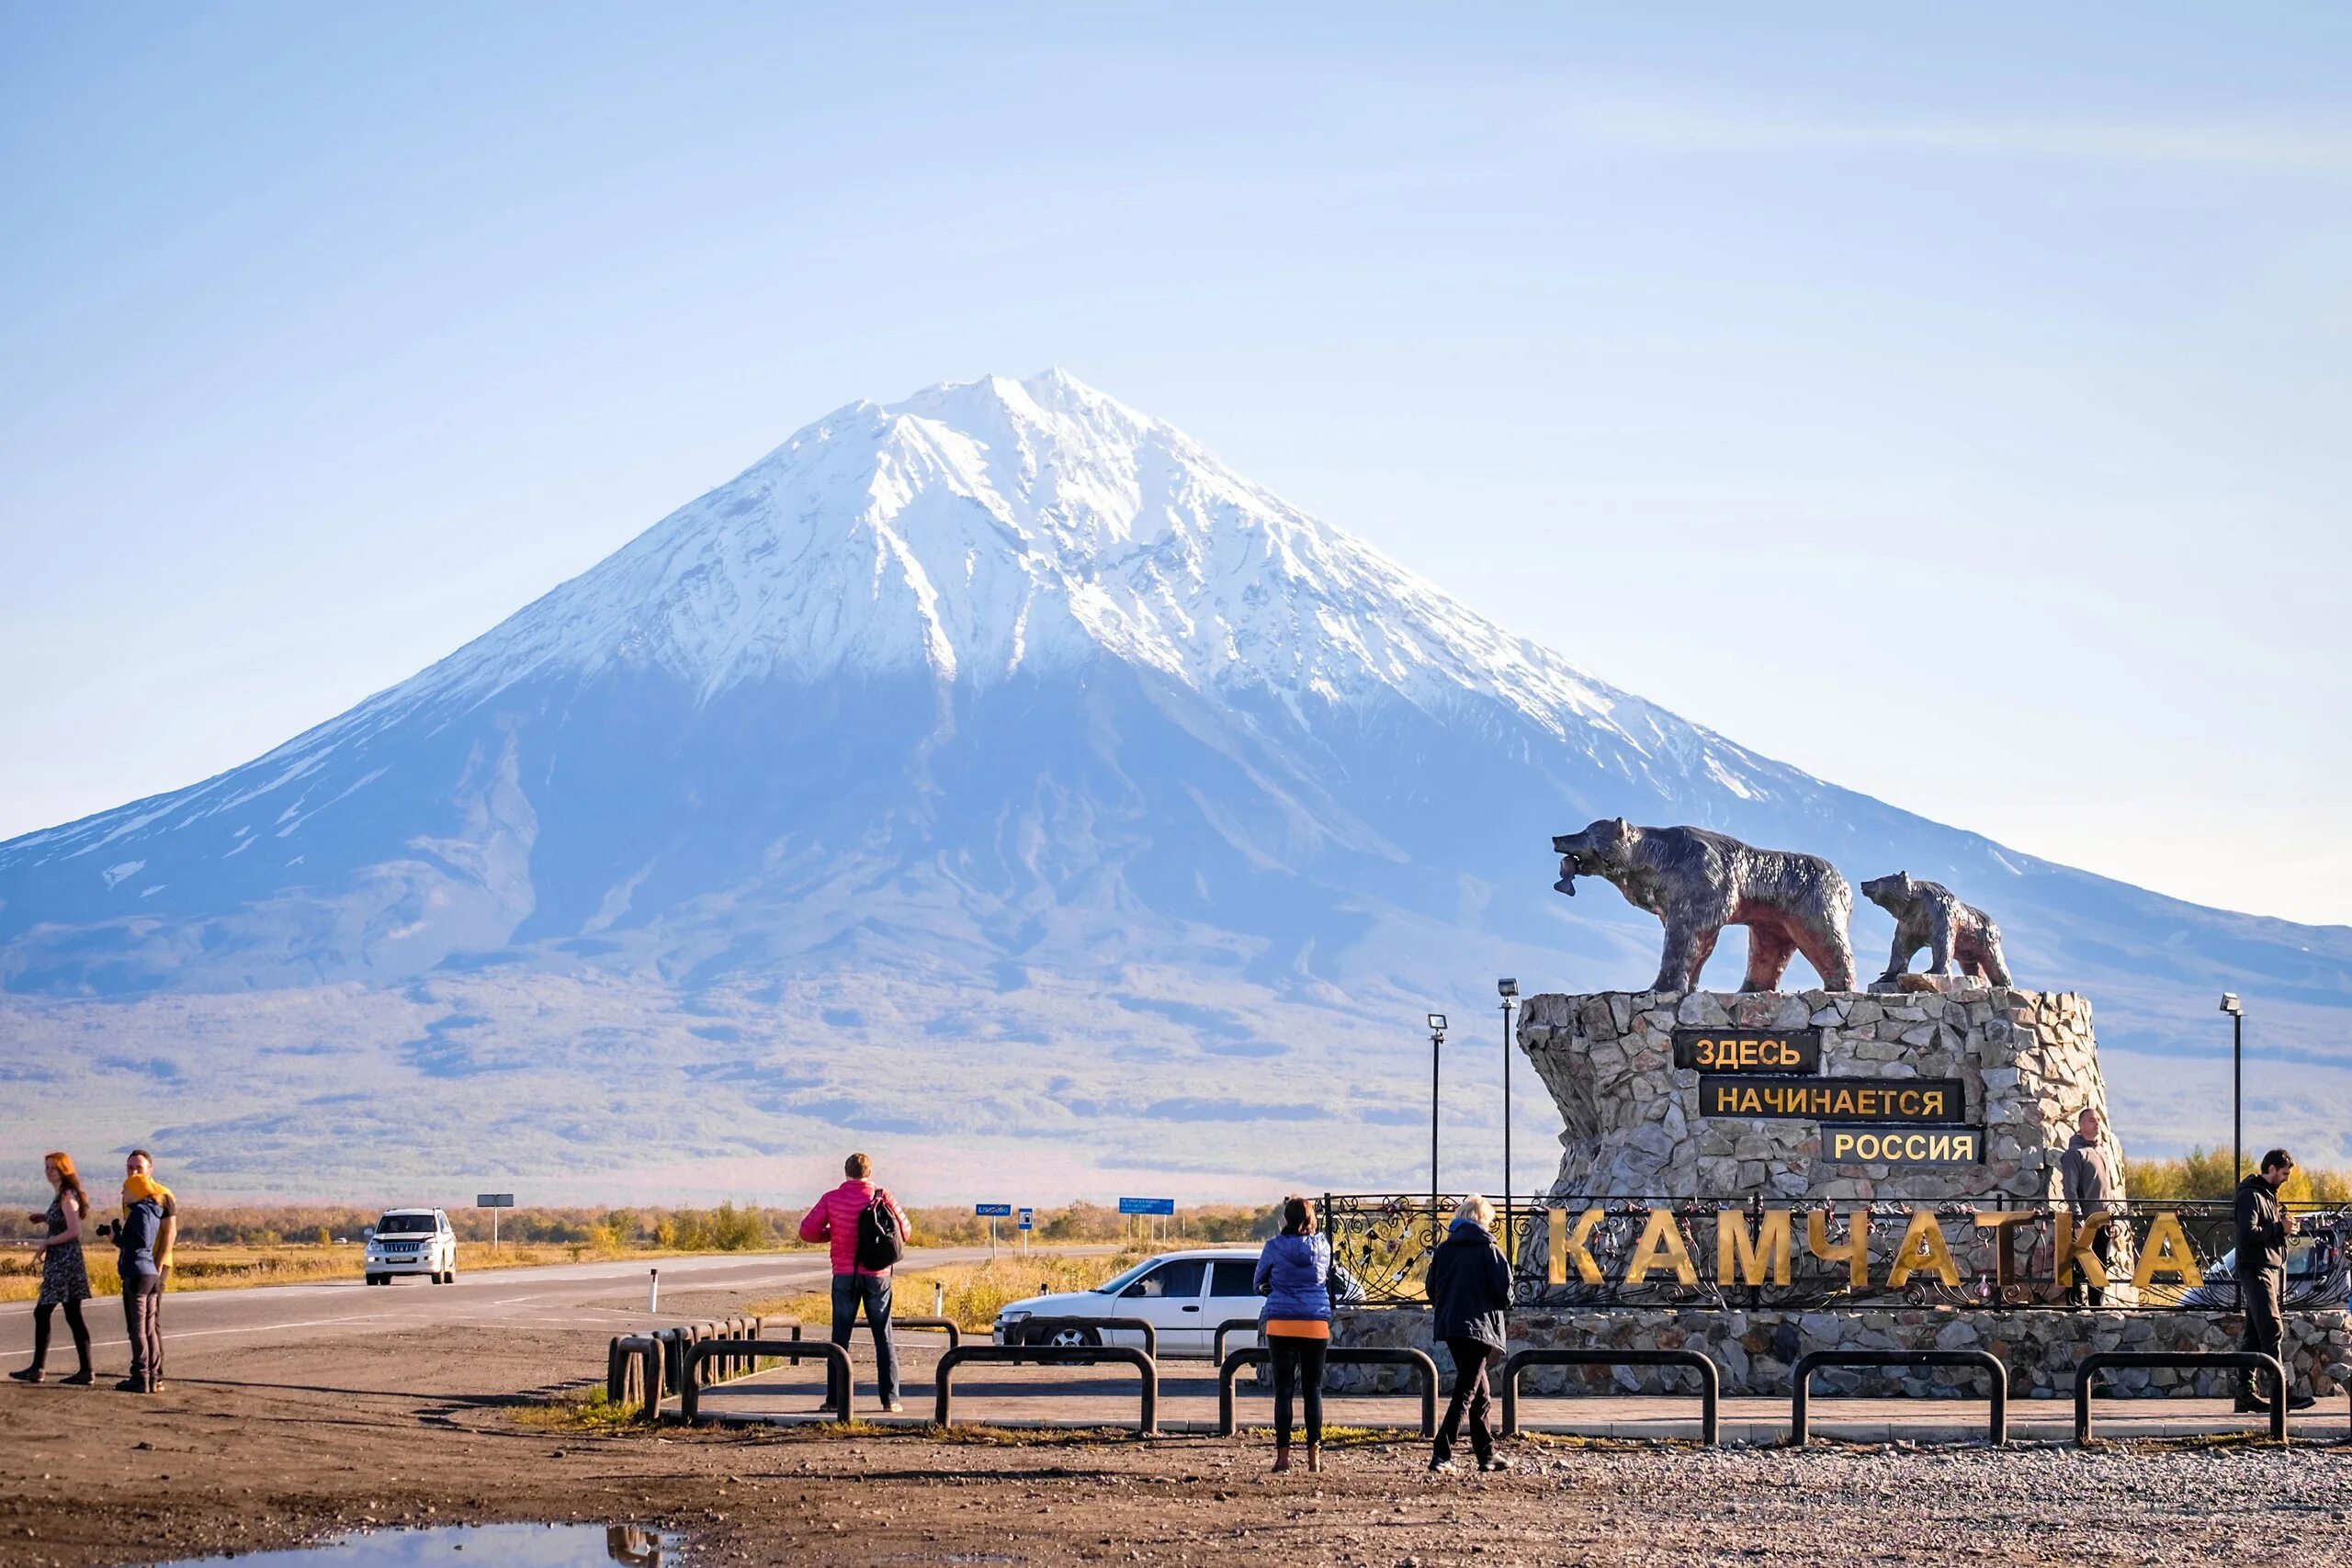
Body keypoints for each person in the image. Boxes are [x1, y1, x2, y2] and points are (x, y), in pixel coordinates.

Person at [798, 1152, 910, 1414]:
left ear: (845, 1172)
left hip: (844, 1276)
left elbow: (806, 1230)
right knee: (883, 1337)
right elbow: (905, 1231)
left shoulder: (832, 1198)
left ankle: (835, 1400)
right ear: (869, 1173)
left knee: (840, 1339)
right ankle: (890, 1399)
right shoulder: (883, 1197)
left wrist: (832, 1234)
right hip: (878, 1276)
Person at [1424, 1193, 1512, 1473]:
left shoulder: (1444, 1250)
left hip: (1451, 1327)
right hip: (1479, 1329)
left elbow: (1431, 1289)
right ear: (1484, 1219)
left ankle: (1486, 1454)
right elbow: (1505, 1295)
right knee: (1466, 1392)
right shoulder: (1489, 1251)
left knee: (1480, 1393)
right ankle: (1442, 1453)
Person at [1252, 1195, 1339, 1473]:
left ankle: (1283, 1457)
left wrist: (1276, 1290)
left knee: (1284, 1392)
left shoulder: (1274, 1247)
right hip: (1315, 1323)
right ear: (1312, 1219)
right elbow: (1327, 1277)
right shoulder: (1323, 1246)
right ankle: (1315, 1457)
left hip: (1281, 1323)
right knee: (1313, 1390)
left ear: (1285, 1219)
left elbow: (1258, 1283)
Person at [2233, 1148, 2314, 1413]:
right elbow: (2248, 1234)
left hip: (2266, 1268)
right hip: (2256, 1269)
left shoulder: (2266, 1195)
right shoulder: (2251, 1196)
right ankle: (2282, 1393)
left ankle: (2245, 1394)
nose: (2287, 1178)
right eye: (2284, 1173)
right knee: (2271, 1328)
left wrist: (2282, 1226)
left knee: (2255, 1335)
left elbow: (2262, 1231)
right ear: (2270, 1169)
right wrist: (2280, 1228)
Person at [9, 1152, 95, 1385]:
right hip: (63, 1261)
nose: (48, 1172)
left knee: (46, 1311)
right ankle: (84, 1370)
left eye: (53, 1168)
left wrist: (47, 1241)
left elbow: (74, 1230)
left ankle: (39, 1368)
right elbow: (64, 1220)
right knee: (71, 1315)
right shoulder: (62, 1195)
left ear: (64, 1170)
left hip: (65, 1262)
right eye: (46, 1167)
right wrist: (45, 1217)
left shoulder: (67, 1194)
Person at [115, 1149, 176, 1394]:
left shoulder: (163, 1195)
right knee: (141, 1322)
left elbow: (170, 1232)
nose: (134, 1171)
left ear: (150, 1169)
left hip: (153, 1264)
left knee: (146, 1323)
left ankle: (151, 1374)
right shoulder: (131, 1194)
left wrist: (159, 1262)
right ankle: (146, 1372)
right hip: (140, 1263)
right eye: (130, 1167)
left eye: (139, 1167)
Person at [2058, 1108, 2122, 1307]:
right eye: (2092, 1120)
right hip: (2085, 1220)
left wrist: (2113, 1215)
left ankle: (2097, 1305)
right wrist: (2078, 1220)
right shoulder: (2073, 1154)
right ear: (2081, 1125)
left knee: (2100, 1264)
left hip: (2103, 1219)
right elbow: (2070, 1189)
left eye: (2098, 1120)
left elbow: (2106, 1188)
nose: (2097, 1123)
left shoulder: (2101, 1151)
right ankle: (2074, 1306)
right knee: (2079, 1264)